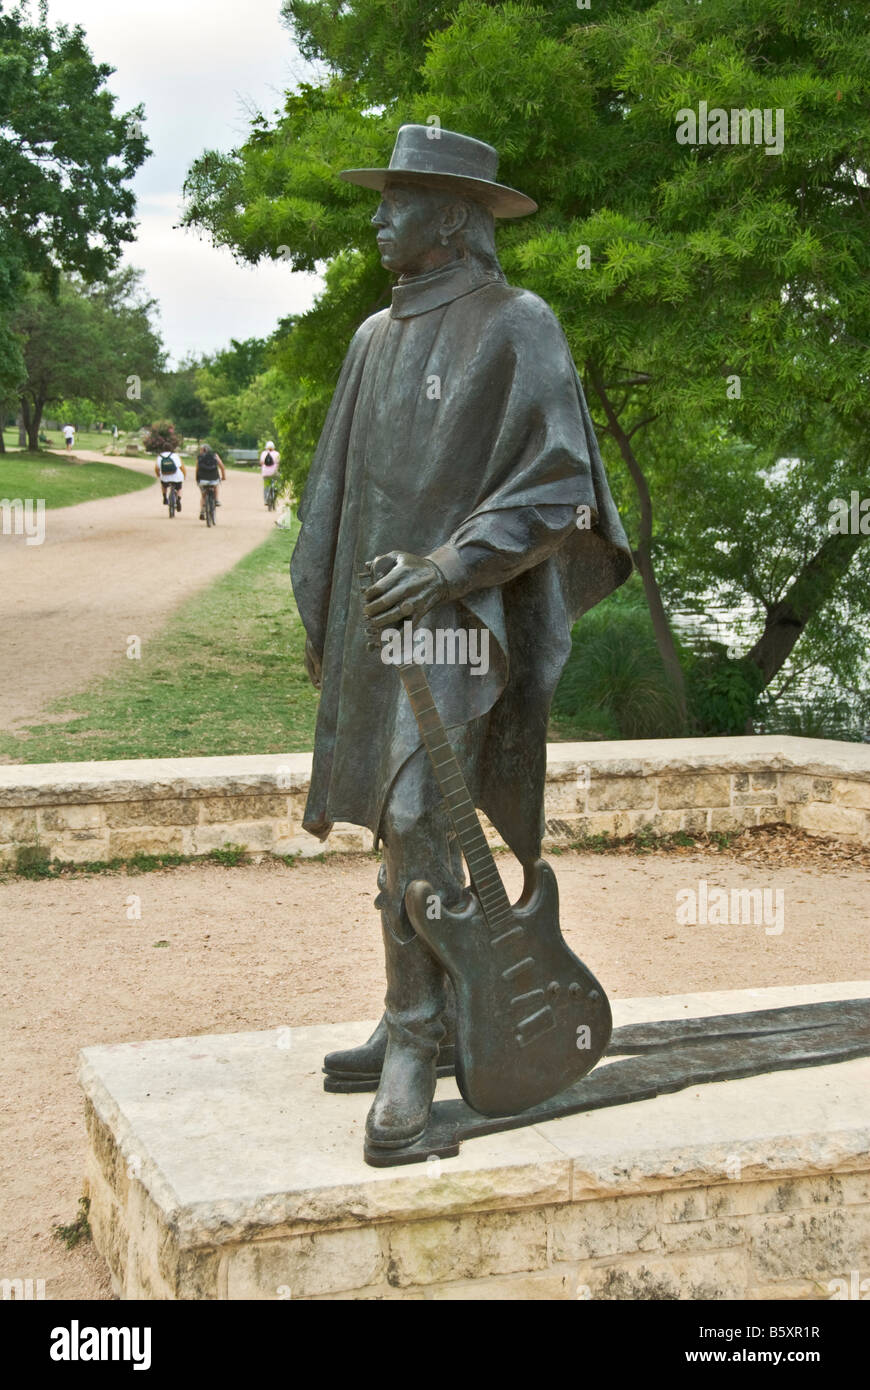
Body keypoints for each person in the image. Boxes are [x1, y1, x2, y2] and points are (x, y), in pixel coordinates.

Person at [290, 126, 631, 1154]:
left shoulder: (520, 325)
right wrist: (328, 599)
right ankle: (424, 1012)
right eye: (382, 199)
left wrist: (448, 565)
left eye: (396, 201)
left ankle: (415, 1035)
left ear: (450, 217)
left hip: (460, 627)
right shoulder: (369, 339)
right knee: (404, 832)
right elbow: (337, 492)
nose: (378, 217)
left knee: (422, 814)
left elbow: (560, 486)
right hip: (378, 626)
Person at [196, 444, 226, 518]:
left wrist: (197, 478)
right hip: (214, 478)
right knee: (216, 485)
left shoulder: (199, 457)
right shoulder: (215, 455)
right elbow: (222, 466)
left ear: (202, 450)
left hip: (202, 479)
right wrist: (223, 477)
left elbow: (197, 469)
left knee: (203, 495)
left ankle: (202, 511)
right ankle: (216, 500)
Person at [259, 440, 280, 505]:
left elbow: (261, 463)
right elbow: (279, 462)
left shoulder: (263, 453)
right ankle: (275, 494)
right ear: (273, 447)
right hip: (274, 473)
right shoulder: (277, 453)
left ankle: (266, 500)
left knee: (266, 486)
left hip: (265, 474)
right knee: (276, 484)